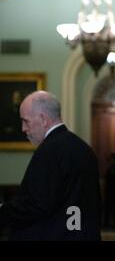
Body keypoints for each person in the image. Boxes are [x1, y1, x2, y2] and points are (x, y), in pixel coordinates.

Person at [0, 91, 101, 240]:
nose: (23, 129)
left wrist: (3, 211)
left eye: (25, 121)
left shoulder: (48, 150)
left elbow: (36, 204)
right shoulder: (84, 148)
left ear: (43, 119)